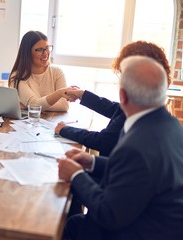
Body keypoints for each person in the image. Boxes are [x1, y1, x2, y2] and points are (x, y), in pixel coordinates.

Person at [59, 56, 183, 240]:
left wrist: (76, 175)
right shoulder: (172, 126)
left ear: (123, 96)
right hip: (161, 222)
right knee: (76, 219)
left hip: (140, 230)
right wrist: (92, 161)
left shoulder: (135, 145)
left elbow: (108, 214)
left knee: (73, 224)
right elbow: (140, 172)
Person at [54, 41, 171, 157]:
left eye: (123, 73)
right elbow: (117, 109)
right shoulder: (149, 104)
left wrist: (65, 130)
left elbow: (102, 141)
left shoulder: (140, 111)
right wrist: (83, 95)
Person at [9, 31, 76, 112]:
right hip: (30, 122)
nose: (45, 54)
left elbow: (64, 106)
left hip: (52, 122)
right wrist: (58, 94)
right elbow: (35, 104)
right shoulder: (17, 77)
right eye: (40, 50)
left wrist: (29, 106)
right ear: (27, 53)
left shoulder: (57, 72)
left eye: (47, 48)